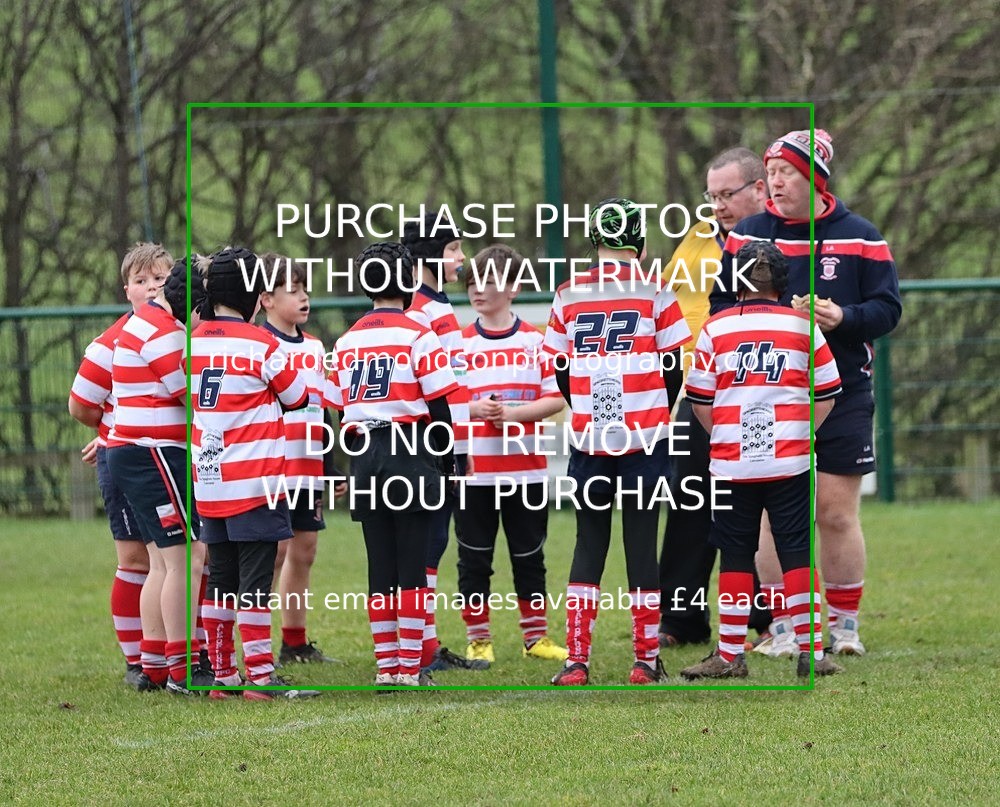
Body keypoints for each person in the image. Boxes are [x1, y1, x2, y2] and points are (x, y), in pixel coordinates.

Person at [710, 129, 903, 655]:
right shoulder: (749, 233)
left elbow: (888, 310)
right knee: (774, 516)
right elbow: (720, 303)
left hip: (842, 393)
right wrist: (763, 322)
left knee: (836, 512)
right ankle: (786, 626)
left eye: (786, 173)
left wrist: (843, 317)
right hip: (765, 397)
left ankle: (844, 627)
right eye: (770, 173)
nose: (775, 182)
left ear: (815, 179)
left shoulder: (861, 235)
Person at [544, 198, 691, 686]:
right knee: (641, 544)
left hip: (589, 440)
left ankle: (576, 662)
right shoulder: (656, 290)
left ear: (594, 242)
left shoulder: (568, 293)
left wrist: (584, 407)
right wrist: (656, 408)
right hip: (645, 438)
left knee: (588, 543)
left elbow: (559, 367)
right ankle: (645, 662)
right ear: (641, 243)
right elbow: (673, 365)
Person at [681, 242, 844, 679]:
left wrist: (723, 435)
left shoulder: (716, 329)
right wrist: (803, 432)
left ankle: (730, 656)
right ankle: (812, 652)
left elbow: (698, 398)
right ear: (782, 282)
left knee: (735, 554)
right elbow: (828, 390)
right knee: (796, 552)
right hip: (789, 462)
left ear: (736, 281)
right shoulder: (802, 326)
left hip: (732, 463)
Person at [189, 247, 319, 700]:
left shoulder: (193, 340)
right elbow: (298, 396)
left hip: (209, 480)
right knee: (255, 584)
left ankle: (223, 676)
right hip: (255, 481)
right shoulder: (261, 344)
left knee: (221, 578)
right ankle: (261, 676)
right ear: (250, 293)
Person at [326, 242, 458, 687]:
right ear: (406, 283)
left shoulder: (344, 341)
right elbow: (440, 404)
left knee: (379, 564)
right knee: (413, 566)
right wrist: (449, 462)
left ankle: (385, 668)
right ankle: (409, 668)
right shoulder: (419, 334)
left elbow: (337, 408)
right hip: (410, 451)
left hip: (365, 456)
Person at [656, 148, 770, 649]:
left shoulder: (781, 238)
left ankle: (767, 618)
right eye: (712, 195)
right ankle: (680, 619)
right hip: (700, 388)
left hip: (763, 391)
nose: (718, 205)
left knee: (763, 502)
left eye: (728, 194)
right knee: (689, 500)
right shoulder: (697, 241)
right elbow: (670, 307)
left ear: (759, 189)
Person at [105, 257, 213, 695]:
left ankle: (154, 664)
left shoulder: (146, 321)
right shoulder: (163, 332)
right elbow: (193, 396)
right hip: (153, 453)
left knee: (164, 561)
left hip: (136, 452)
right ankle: (183, 667)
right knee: (189, 557)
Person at [455, 244, 567, 667]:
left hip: (526, 473)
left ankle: (535, 637)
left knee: (529, 556)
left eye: (488, 281)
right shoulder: (458, 345)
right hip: (473, 474)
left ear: (514, 288)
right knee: (473, 558)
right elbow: (442, 401)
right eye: (471, 282)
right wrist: (474, 409)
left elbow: (555, 400)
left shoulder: (535, 342)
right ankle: (478, 640)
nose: (477, 290)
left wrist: (514, 415)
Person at [68, 243, 171, 689]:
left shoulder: (175, 331)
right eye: (141, 280)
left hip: (162, 454)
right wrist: (111, 433)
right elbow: (80, 405)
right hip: (128, 458)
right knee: (135, 560)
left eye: (160, 279)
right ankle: (137, 662)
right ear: (126, 288)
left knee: (176, 558)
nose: (151, 288)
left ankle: (169, 654)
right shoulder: (110, 342)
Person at [401, 210, 482, 672]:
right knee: (426, 543)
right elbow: (430, 389)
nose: (460, 257)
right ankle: (420, 649)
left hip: (445, 441)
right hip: (428, 444)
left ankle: (427, 645)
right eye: (452, 249)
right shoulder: (420, 309)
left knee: (434, 543)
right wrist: (449, 447)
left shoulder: (439, 304)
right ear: (429, 255)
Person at [258, 252, 344, 666]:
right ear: (266, 299)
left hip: (308, 467)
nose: (303, 297)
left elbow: (322, 410)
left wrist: (331, 467)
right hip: (272, 469)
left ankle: (294, 643)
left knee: (304, 550)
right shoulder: (261, 345)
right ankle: (254, 646)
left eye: (305, 289)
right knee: (271, 553)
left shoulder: (314, 346)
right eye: (292, 291)